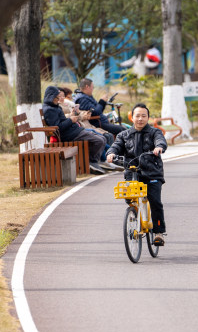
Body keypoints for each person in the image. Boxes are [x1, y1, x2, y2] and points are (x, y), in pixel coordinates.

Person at [106, 103, 168, 246]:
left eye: (143, 116)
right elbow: (116, 146)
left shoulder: (154, 132)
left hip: (152, 173)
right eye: (137, 116)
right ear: (132, 118)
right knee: (129, 198)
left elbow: (161, 141)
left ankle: (159, 232)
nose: (140, 119)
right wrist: (111, 153)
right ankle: (134, 214)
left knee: (155, 202)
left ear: (148, 117)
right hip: (132, 172)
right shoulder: (124, 135)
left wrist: (159, 147)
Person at [42, 85, 115, 174]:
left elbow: (62, 122)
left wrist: (71, 118)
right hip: (69, 134)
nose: (58, 99)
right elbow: (58, 127)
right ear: (51, 97)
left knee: (103, 138)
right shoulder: (49, 110)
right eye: (57, 98)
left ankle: (94, 161)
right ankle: (91, 162)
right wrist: (70, 120)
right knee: (99, 140)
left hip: (74, 130)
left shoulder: (55, 106)